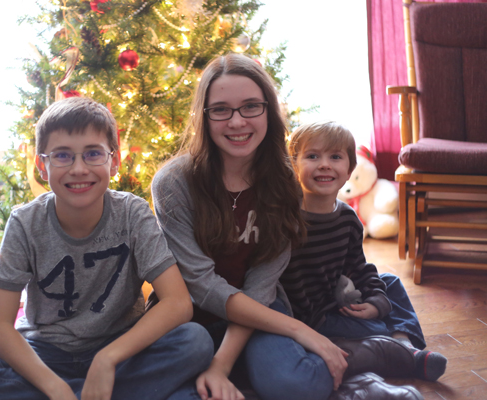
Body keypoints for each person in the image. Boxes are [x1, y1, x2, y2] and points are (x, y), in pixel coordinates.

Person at [151, 53, 419, 400]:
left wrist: (222, 363)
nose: (237, 121)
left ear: (268, 110)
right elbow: (201, 285)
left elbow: (262, 284)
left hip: (261, 306)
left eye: (251, 106)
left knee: (295, 386)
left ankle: (367, 360)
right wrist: (299, 331)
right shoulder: (173, 183)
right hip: (191, 314)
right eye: (220, 110)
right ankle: (341, 358)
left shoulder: (285, 180)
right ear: (203, 116)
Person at [0, 97, 213, 400]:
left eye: (93, 154)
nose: (78, 169)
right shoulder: (24, 223)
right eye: (62, 155)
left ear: (114, 161)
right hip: (46, 353)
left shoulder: (133, 213)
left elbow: (178, 303)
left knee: (195, 341)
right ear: (42, 166)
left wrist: (107, 358)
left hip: (121, 350)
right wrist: (54, 387)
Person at [285, 121, 447, 382]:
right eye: (312, 156)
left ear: (350, 169)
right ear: (294, 165)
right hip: (313, 318)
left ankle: (404, 345)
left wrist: (375, 302)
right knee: (378, 327)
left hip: (339, 300)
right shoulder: (287, 220)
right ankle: (402, 351)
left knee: (390, 283)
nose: (324, 164)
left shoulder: (348, 218)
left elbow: (358, 267)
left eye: (335, 157)